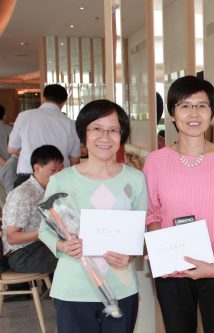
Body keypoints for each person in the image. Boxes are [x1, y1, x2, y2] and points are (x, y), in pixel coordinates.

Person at [143, 75, 214, 333]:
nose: (194, 113)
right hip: (172, 271)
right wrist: (163, 254)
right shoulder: (156, 161)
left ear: (212, 113)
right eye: (185, 105)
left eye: (201, 105)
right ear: (172, 113)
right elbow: (151, 212)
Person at [38, 99, 147, 333]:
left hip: (122, 288)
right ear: (84, 134)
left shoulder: (135, 179)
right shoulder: (61, 180)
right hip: (73, 289)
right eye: (96, 128)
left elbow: (142, 230)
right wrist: (62, 246)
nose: (105, 137)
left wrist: (130, 254)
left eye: (113, 130)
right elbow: (44, 229)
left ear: (122, 135)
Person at [2, 145, 63, 273]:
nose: (58, 175)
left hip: (39, 246)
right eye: (53, 170)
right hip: (21, 254)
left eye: (60, 170)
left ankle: (51, 292)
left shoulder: (47, 190)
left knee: (74, 249)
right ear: (37, 168)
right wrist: (48, 231)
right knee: (70, 257)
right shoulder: (23, 194)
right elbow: (12, 237)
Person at [8, 84, 80, 187]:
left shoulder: (24, 116)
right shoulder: (71, 124)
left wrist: (28, 151)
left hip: (28, 176)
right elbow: (75, 161)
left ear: (43, 98)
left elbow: (12, 149)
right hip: (60, 178)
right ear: (64, 102)